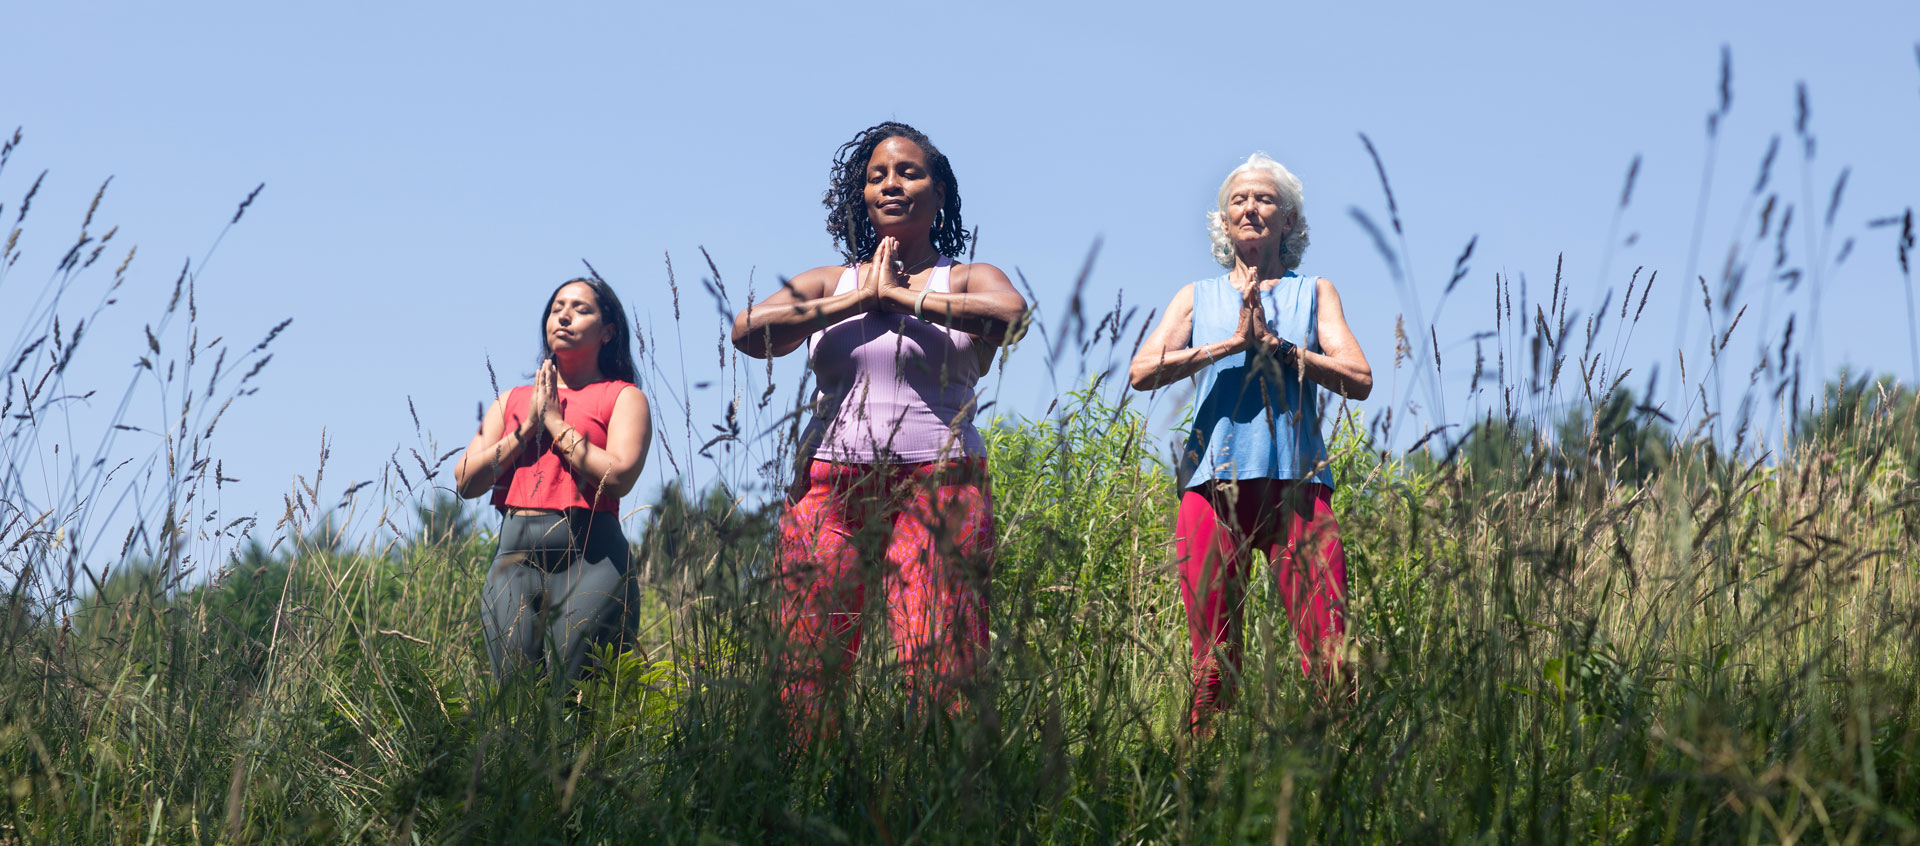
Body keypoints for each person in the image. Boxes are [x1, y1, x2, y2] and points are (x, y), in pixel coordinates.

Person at [731, 121, 1026, 734]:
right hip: (830, 491)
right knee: (806, 662)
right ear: (860, 197)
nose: (892, 184)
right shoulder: (829, 281)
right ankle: (809, 798)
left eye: (909, 172)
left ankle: (941, 803)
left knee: (939, 656)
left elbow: (1012, 316)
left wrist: (910, 300)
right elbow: (747, 331)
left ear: (938, 192)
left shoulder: (966, 278)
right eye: (876, 176)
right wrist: (860, 299)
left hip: (940, 486)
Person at [1128, 153, 1372, 729]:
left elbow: (1359, 378)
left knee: (1332, 655)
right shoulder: (1196, 295)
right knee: (1212, 666)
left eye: (1265, 199)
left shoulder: (1315, 292)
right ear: (1223, 219)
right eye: (1238, 200)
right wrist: (1230, 346)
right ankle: (1200, 790)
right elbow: (1141, 371)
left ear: (1289, 221)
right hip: (1211, 489)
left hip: (1298, 488)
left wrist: (1282, 349)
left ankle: (1341, 789)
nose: (1250, 208)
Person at [453, 276, 652, 691]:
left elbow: (619, 476)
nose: (564, 315)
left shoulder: (623, 396)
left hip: (592, 557)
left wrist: (556, 424)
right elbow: (466, 480)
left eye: (581, 308)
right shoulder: (510, 401)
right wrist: (526, 428)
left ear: (608, 331)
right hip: (514, 560)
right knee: (514, 697)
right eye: (557, 307)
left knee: (576, 694)